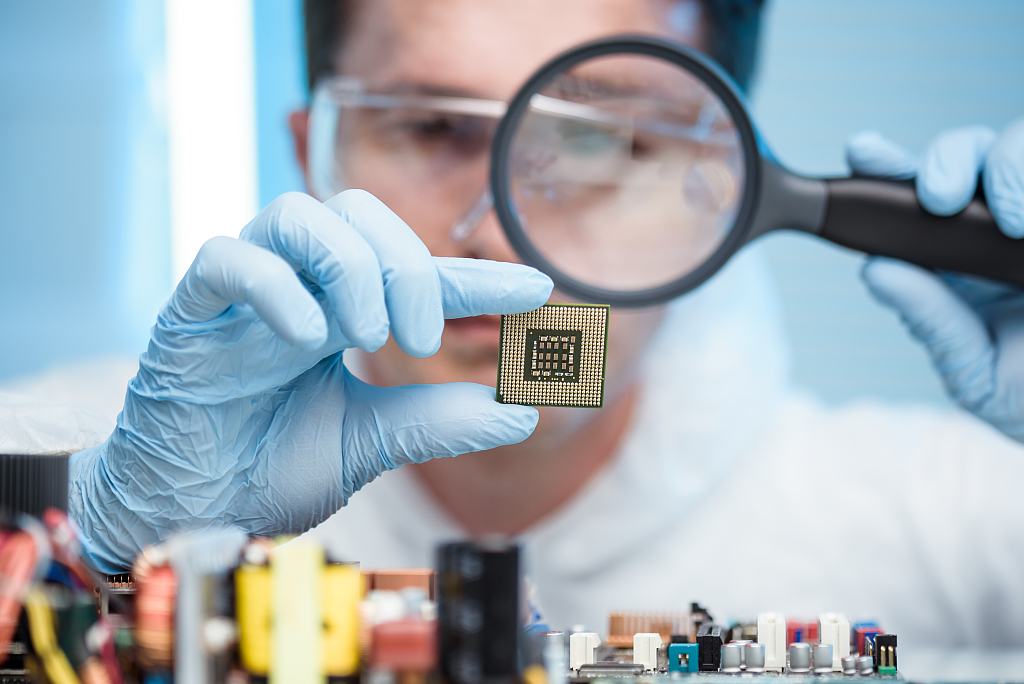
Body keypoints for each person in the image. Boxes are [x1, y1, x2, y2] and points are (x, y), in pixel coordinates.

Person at [64, 0, 1024, 648]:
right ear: (313, 154)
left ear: (719, 183)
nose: (494, 236)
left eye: (599, 141)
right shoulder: (70, 466)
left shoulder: (955, 516)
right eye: (433, 129)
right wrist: (99, 557)